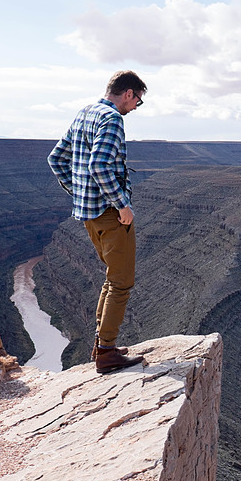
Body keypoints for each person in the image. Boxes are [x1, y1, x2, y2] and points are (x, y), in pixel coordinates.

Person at [48, 70, 147, 374]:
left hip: (89, 214)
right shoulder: (112, 119)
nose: (134, 108)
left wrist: (79, 193)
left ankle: (102, 344)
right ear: (128, 93)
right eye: (137, 102)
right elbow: (100, 165)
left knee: (111, 277)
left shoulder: (85, 113)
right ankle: (106, 353)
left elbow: (56, 159)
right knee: (121, 282)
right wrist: (122, 205)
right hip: (110, 215)